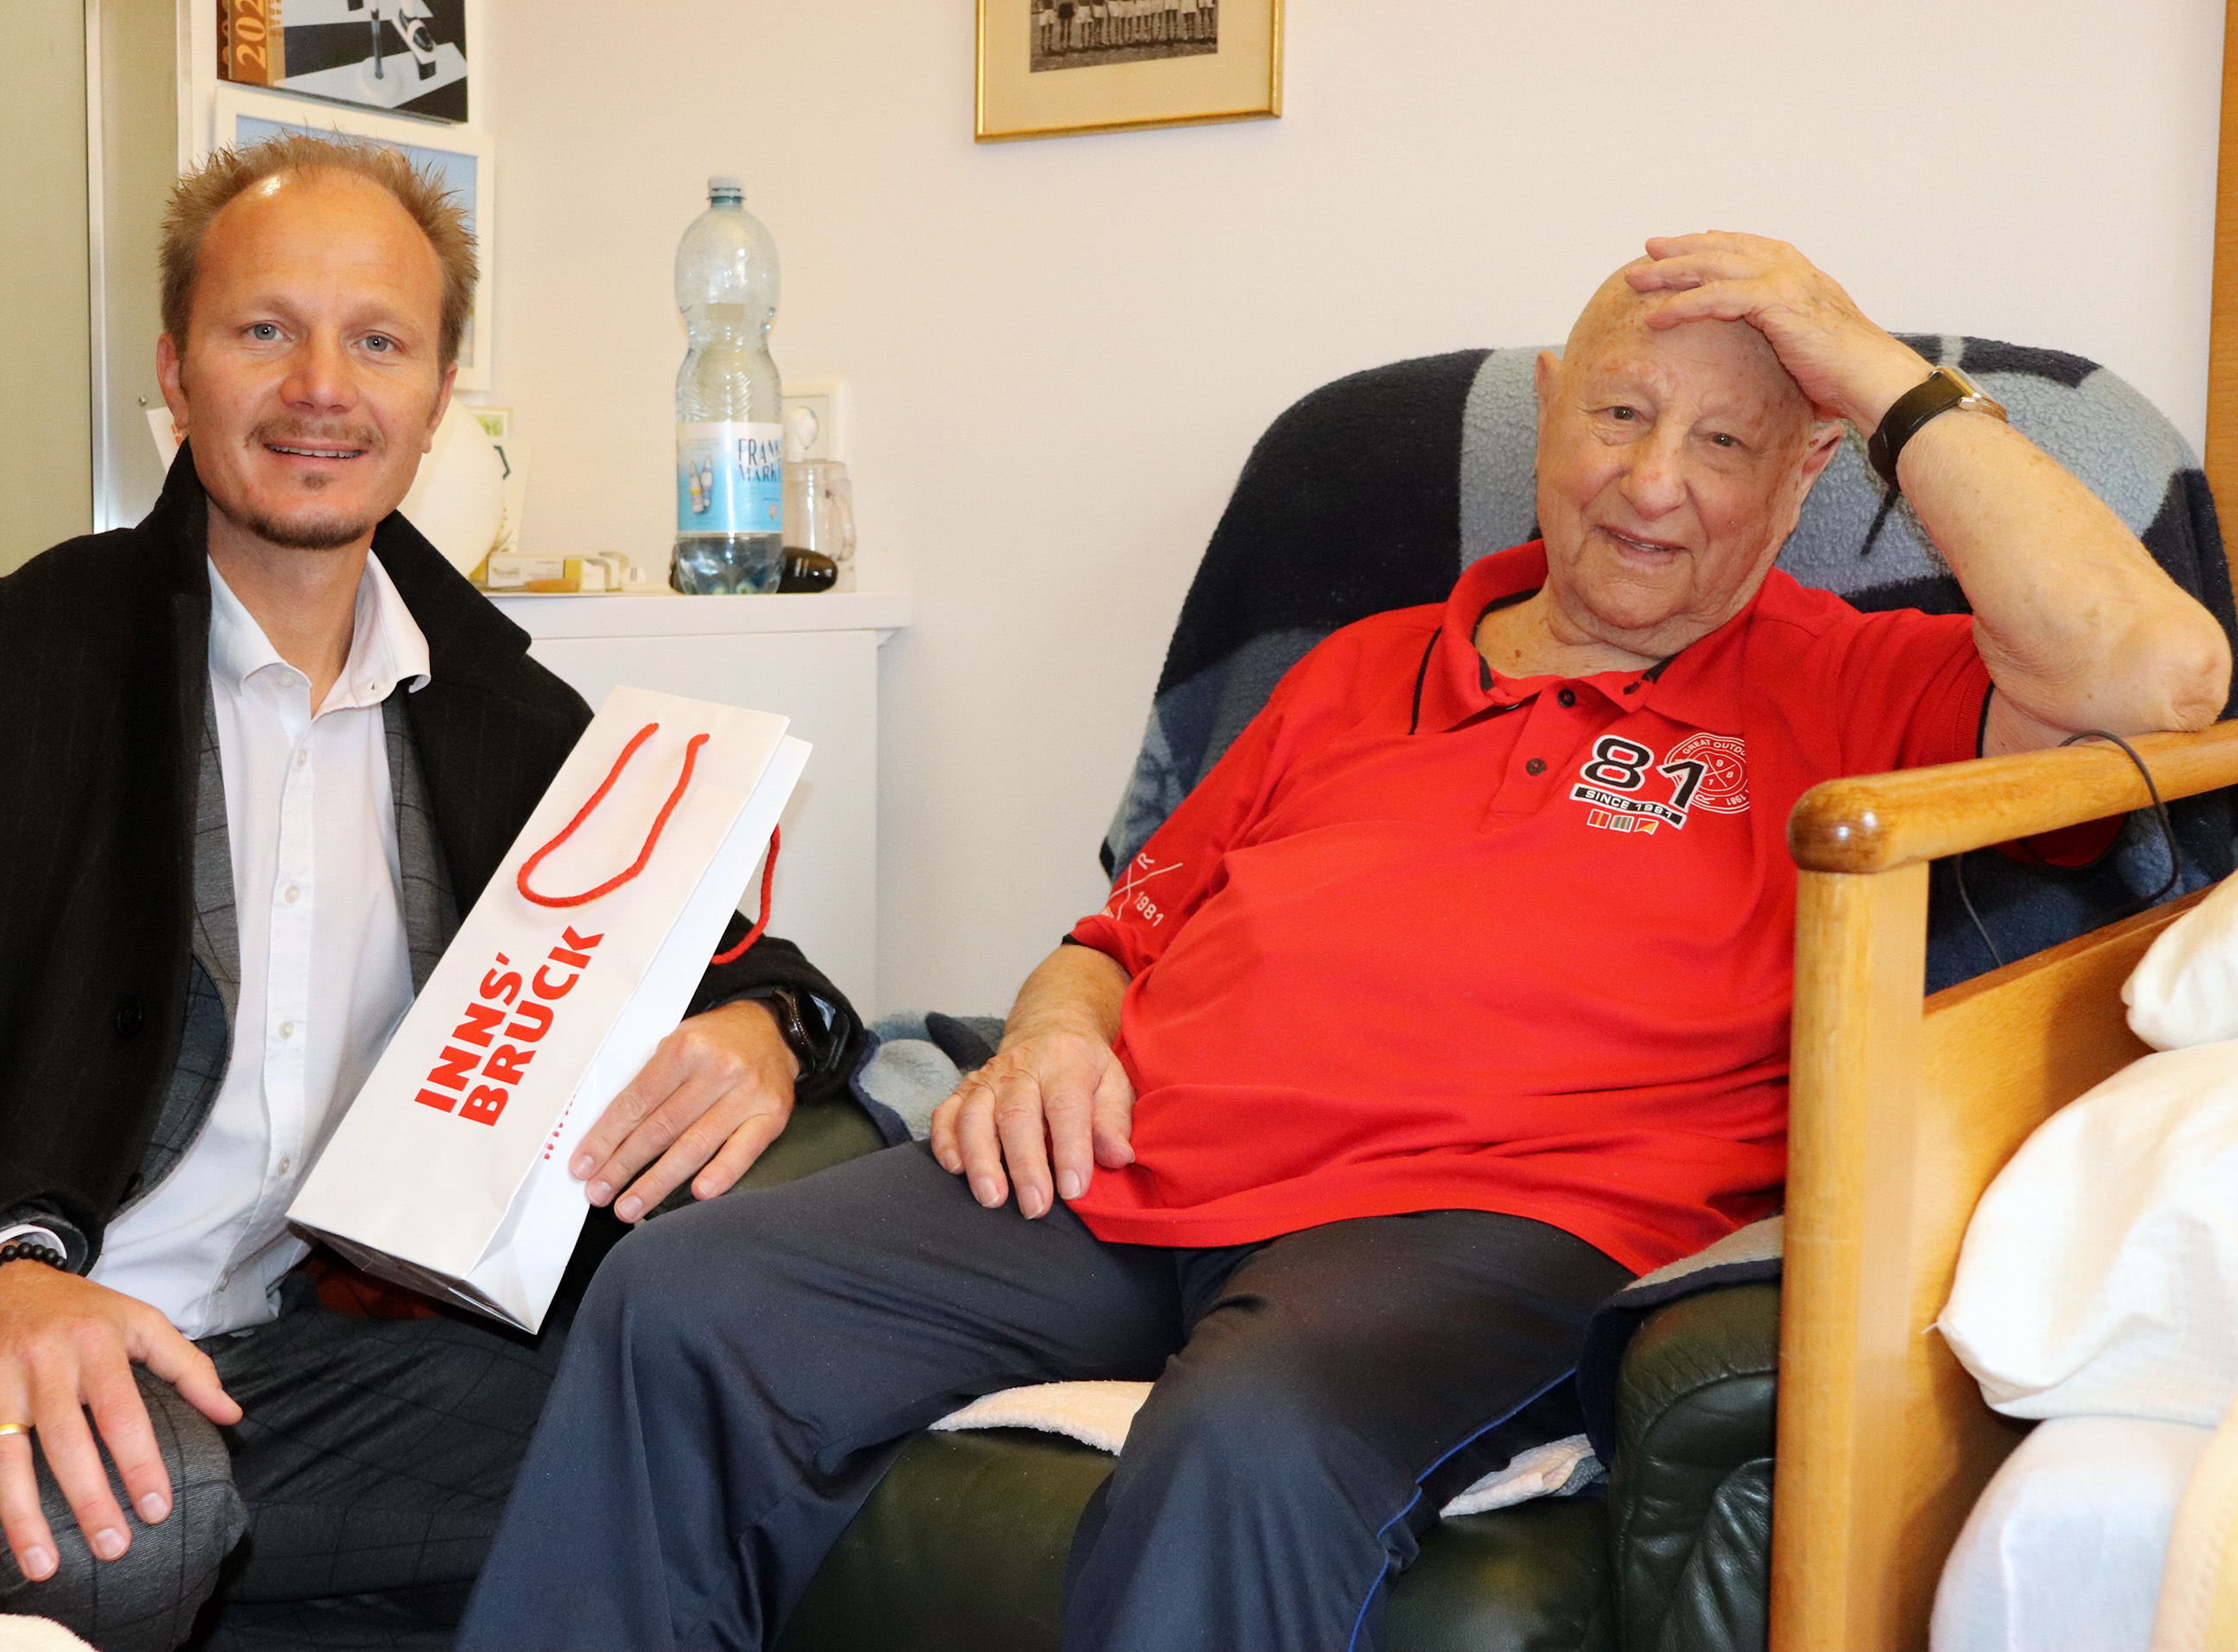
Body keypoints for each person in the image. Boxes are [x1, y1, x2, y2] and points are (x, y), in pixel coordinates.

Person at [455, 232, 2229, 1652]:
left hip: (1485, 1222)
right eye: (1620, 417)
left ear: (1802, 479)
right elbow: (1109, 934)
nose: (1653, 489)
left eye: (1725, 443)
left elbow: (2161, 681)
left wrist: (1867, 361)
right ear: (1548, 411)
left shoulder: (1854, 688)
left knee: (1253, 1438)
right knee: (689, 1299)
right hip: (1128, 1163)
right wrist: (1055, 1035)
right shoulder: (1352, 665)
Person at [0, 134, 862, 1650]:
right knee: (134, 1525)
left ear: (436, 399)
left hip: (298, 1377)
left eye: (378, 342)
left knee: (721, 1424)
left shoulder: (506, 722)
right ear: (176, 367)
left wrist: (764, 1028)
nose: (321, 389)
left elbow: (752, 962)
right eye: (263, 329)